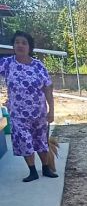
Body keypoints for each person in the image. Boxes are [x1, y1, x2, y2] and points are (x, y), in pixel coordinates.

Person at [0, 31, 57, 182]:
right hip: (18, 115)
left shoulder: (38, 66)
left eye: (24, 43)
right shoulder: (7, 64)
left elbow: (48, 89)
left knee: (41, 142)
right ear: (13, 45)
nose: (20, 45)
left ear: (29, 47)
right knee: (25, 142)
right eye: (17, 42)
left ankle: (46, 168)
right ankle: (32, 171)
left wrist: (51, 111)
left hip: (39, 114)